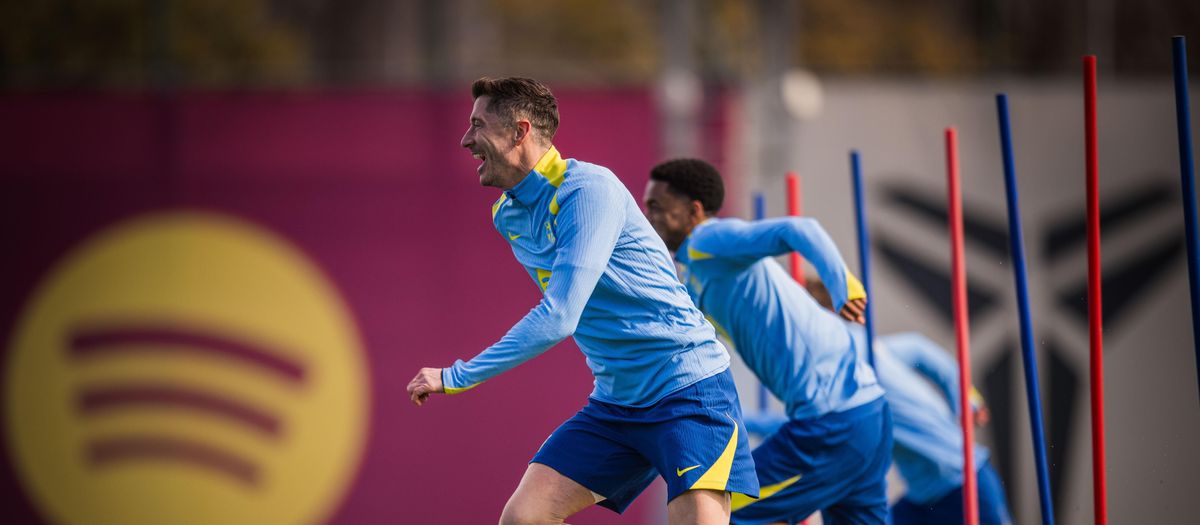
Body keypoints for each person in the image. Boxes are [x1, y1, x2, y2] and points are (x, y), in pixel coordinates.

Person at [406, 78, 758, 524]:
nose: (465, 139)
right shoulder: (508, 214)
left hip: (689, 392)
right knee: (523, 518)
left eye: (478, 125)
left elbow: (559, 317)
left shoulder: (588, 188)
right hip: (617, 403)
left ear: (520, 131)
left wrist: (457, 375)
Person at [643, 158, 891, 525]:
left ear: (694, 210)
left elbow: (799, 228)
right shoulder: (695, 271)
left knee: (716, 515)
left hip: (831, 424)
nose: (648, 216)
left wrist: (844, 286)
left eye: (656, 206)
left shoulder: (706, 240)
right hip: (870, 414)